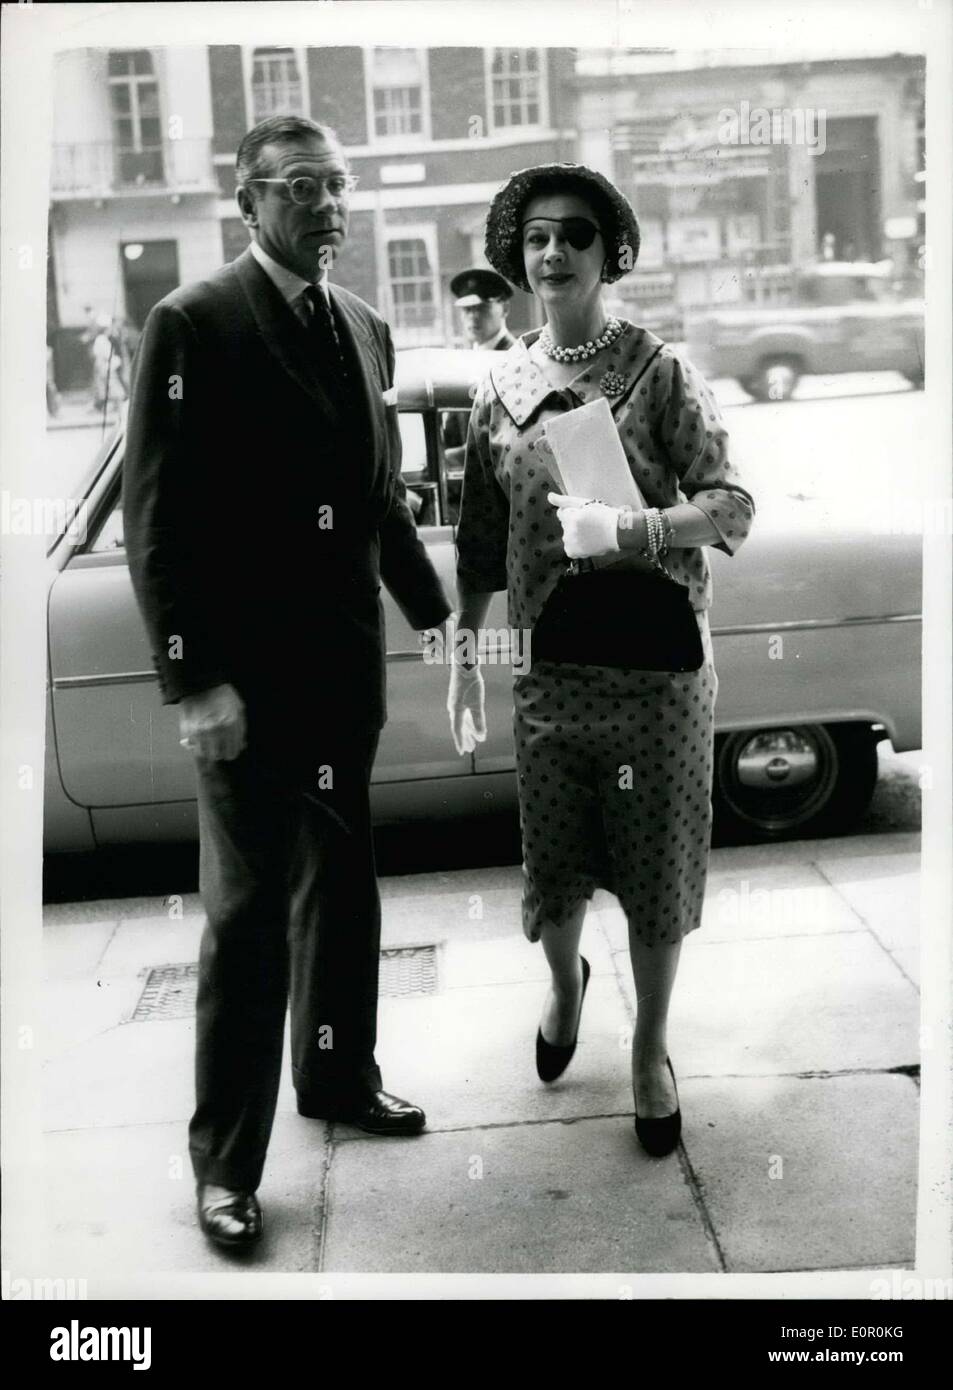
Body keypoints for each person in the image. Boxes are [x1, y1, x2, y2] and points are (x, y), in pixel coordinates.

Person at [123, 114, 452, 1248]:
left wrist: (440, 614)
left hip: (337, 679)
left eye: (336, 186)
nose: (324, 207)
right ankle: (224, 1164)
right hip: (245, 691)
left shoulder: (362, 324)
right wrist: (194, 684)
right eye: (300, 187)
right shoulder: (194, 323)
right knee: (249, 918)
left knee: (344, 887)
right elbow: (154, 524)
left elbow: (374, 498)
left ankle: (337, 1075)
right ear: (247, 202)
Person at [448, 163, 755, 1156]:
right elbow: (480, 541)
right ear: (518, 255)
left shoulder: (656, 370)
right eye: (535, 236)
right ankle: (562, 985)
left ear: (606, 251)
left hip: (655, 675)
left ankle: (648, 1050)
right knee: (556, 873)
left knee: (656, 877)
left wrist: (628, 528)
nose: (552, 252)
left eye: (572, 234)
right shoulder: (497, 386)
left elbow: (729, 506)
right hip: (549, 673)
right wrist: (466, 650)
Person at [441, 267, 516, 476]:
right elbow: (452, 432)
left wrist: (444, 457)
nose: (473, 317)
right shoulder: (463, 364)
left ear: (504, 308)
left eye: (482, 308)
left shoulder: (516, 359)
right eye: (467, 310)